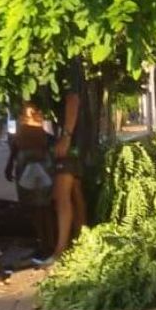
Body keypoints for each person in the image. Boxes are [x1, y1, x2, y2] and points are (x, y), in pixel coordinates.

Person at [33, 62, 87, 266]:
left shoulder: (65, 64)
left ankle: (60, 252)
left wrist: (65, 136)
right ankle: (83, 244)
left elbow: (73, 100)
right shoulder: (71, 63)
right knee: (75, 193)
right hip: (74, 140)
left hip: (69, 142)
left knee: (62, 196)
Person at [4, 102, 56, 259]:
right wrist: (9, 165)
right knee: (35, 209)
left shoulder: (43, 132)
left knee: (43, 209)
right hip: (27, 170)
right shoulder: (23, 132)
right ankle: (44, 243)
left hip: (39, 171)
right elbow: (15, 147)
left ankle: (49, 244)